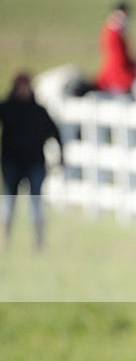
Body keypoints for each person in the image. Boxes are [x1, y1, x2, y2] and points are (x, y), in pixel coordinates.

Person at [0, 72, 64, 249]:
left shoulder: (38, 111)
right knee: (9, 200)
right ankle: (5, 239)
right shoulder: (7, 108)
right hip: (11, 161)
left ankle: (39, 241)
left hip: (35, 162)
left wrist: (61, 156)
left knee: (36, 201)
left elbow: (54, 132)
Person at [95, 0, 136, 94]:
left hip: (114, 72)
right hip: (116, 76)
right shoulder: (113, 34)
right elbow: (118, 60)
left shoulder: (111, 31)